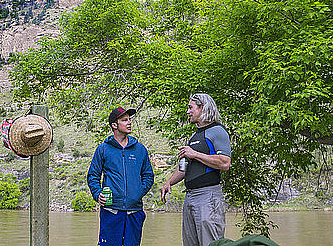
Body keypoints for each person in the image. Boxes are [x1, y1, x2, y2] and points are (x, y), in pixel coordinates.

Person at [160, 93, 232, 246]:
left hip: (208, 196)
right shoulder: (194, 136)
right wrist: (169, 183)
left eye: (190, 108)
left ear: (203, 108)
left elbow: (225, 163)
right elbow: (184, 168)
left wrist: (194, 154)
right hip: (190, 197)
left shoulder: (217, 131)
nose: (188, 112)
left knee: (210, 243)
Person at [87, 106, 154, 246]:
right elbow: (93, 175)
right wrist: (97, 193)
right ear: (114, 125)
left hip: (134, 212)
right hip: (111, 211)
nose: (129, 122)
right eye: (124, 120)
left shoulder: (140, 149)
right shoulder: (103, 149)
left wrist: (137, 193)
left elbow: (148, 176)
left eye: (129, 119)